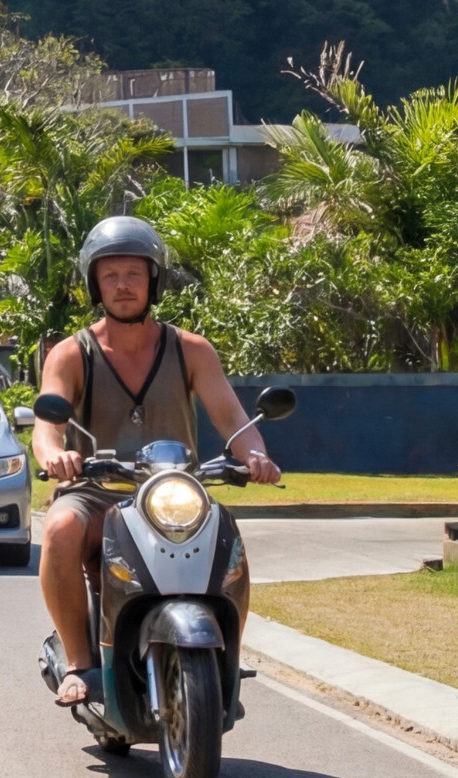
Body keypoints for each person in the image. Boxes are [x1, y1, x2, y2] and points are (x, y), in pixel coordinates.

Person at [33, 215, 282, 706]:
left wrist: (256, 457)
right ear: (94, 284)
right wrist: (56, 456)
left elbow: (233, 419)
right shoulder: (71, 353)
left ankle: (225, 660)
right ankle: (81, 664)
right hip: (95, 490)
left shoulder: (191, 350)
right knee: (60, 529)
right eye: (110, 275)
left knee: (228, 538)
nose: (122, 285)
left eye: (133, 274)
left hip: (173, 491)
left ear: (153, 279)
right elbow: (47, 425)